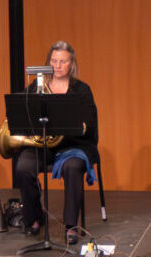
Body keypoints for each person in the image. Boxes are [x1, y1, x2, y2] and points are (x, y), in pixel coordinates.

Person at [11, 39, 99, 244]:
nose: (57, 66)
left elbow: (89, 125)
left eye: (63, 61)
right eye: (54, 60)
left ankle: (71, 226)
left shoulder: (81, 90)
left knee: (73, 167)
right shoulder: (37, 86)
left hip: (74, 146)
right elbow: (22, 114)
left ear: (71, 64)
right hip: (43, 146)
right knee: (23, 166)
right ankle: (33, 217)